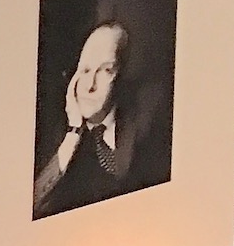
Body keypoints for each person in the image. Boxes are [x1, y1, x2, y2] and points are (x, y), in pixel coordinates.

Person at [32, 20, 168, 218]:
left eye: (106, 71)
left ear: (122, 74)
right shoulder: (55, 132)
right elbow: (33, 207)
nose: (90, 85)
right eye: (85, 70)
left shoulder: (146, 120)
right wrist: (74, 132)